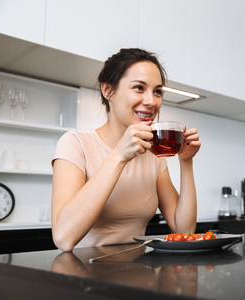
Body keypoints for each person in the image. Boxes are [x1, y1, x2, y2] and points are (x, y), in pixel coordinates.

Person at [51, 48, 201, 251]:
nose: (151, 101)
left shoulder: (154, 155)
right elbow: (63, 238)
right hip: (85, 273)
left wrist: (186, 162)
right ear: (108, 90)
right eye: (139, 88)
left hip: (140, 273)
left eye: (157, 91)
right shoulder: (75, 144)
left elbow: (185, 230)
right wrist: (119, 155)